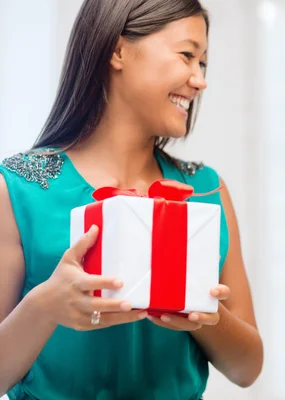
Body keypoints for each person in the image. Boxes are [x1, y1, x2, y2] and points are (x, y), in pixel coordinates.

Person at [0, 0, 263, 398]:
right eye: (187, 55)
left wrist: (205, 316)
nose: (199, 79)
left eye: (203, 64)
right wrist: (44, 306)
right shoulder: (19, 188)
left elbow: (248, 369)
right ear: (118, 51)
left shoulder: (207, 190)